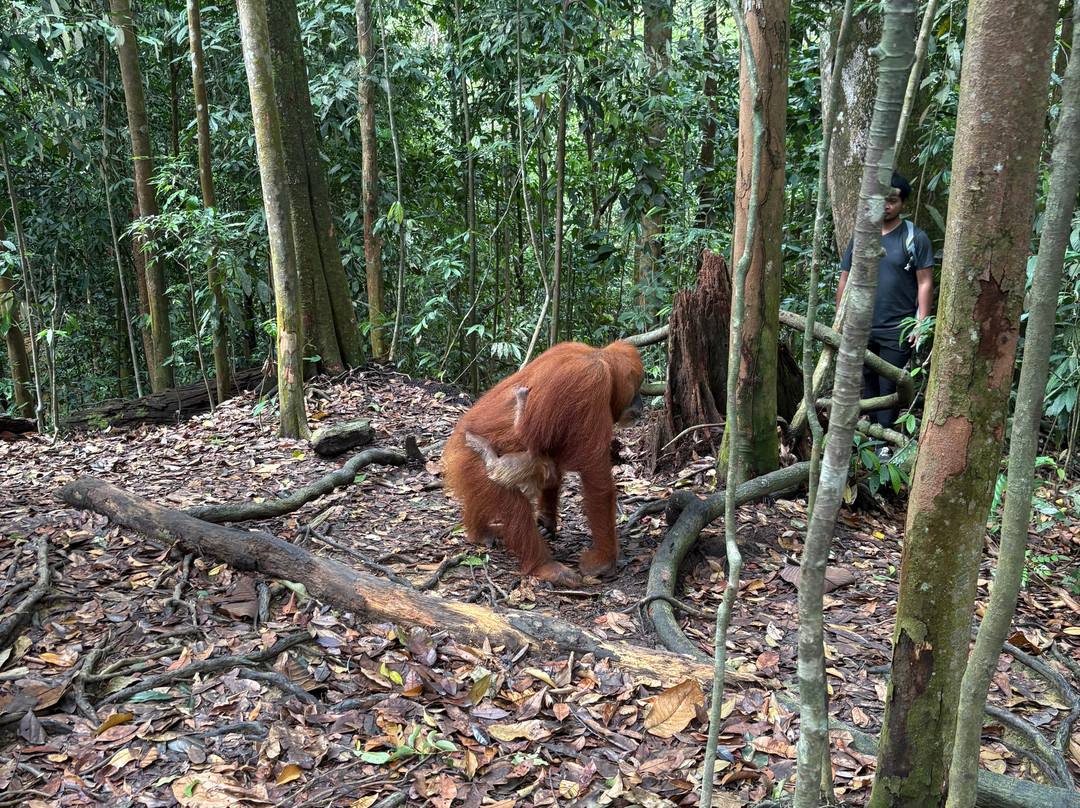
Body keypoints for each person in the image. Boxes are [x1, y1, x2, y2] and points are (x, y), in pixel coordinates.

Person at [834, 173, 934, 437]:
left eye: (892, 201)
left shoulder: (914, 237)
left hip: (898, 328)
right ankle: (872, 437)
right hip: (861, 325)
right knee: (867, 381)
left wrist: (921, 323)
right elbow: (846, 277)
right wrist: (839, 320)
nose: (886, 206)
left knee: (889, 385)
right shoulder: (862, 235)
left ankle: (883, 441)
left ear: (902, 203)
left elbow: (925, 282)